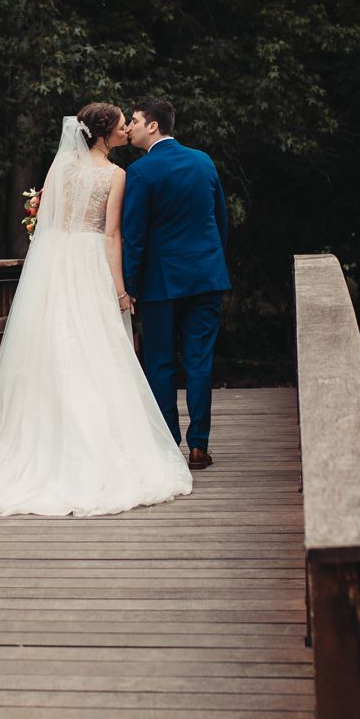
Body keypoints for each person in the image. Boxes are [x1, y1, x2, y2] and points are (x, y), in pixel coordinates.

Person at [0, 103, 193, 516]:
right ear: (103, 134)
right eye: (119, 126)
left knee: (57, 346)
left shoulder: (59, 168)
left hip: (56, 266)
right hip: (92, 264)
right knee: (96, 350)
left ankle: (46, 437)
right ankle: (92, 445)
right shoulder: (117, 175)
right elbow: (112, 235)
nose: (123, 131)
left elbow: (47, 223)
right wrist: (120, 291)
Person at [121, 97, 230, 470]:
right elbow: (220, 221)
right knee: (200, 361)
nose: (129, 127)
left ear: (153, 126)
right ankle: (199, 446)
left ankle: (168, 445)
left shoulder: (141, 172)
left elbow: (133, 236)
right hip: (206, 277)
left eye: (134, 120)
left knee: (161, 364)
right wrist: (211, 264)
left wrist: (129, 283)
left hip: (159, 284)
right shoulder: (203, 161)